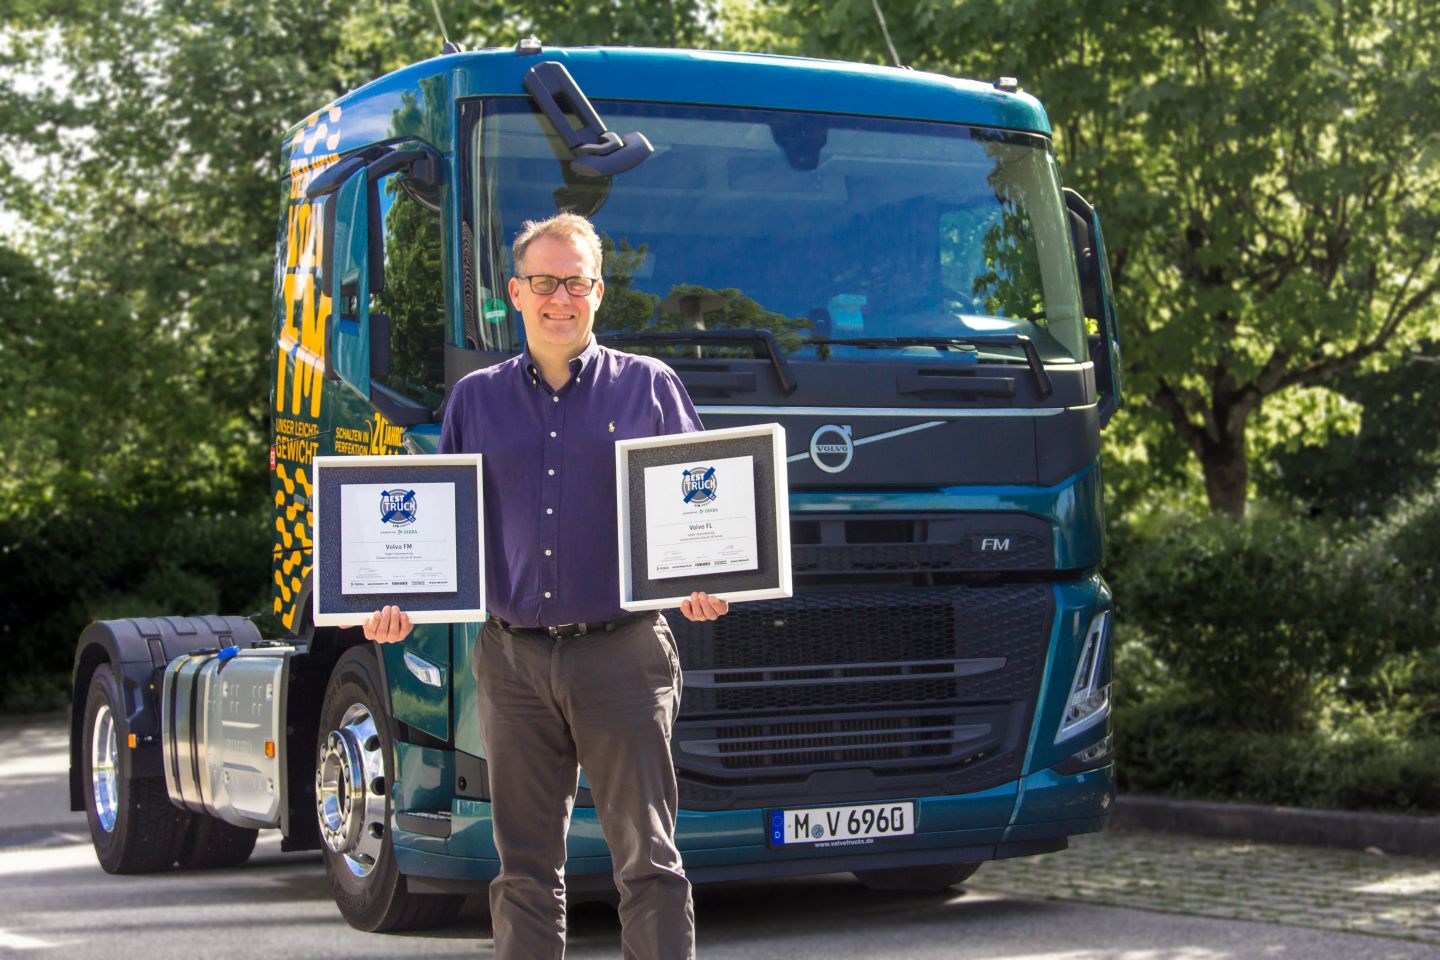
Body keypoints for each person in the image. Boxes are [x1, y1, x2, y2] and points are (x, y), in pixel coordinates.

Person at [363, 211, 725, 960]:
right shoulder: (474, 400)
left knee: (648, 862)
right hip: (513, 663)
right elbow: (439, 532)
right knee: (524, 870)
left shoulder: (649, 387)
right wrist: (399, 603)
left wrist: (708, 579)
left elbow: (701, 511)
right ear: (516, 293)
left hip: (623, 656)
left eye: (577, 283)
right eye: (545, 282)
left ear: (599, 292)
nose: (561, 298)